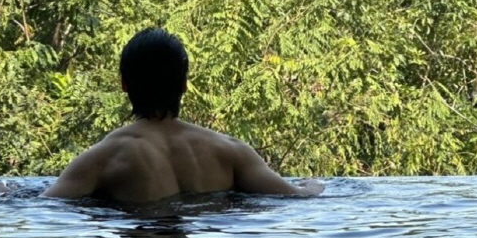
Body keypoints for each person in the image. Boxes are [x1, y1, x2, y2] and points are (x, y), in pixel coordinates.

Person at [41, 27, 324, 203]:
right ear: (184, 85)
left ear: (124, 84)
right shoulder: (231, 152)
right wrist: (312, 185)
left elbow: (45, 206)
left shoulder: (102, 158)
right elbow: (295, 197)